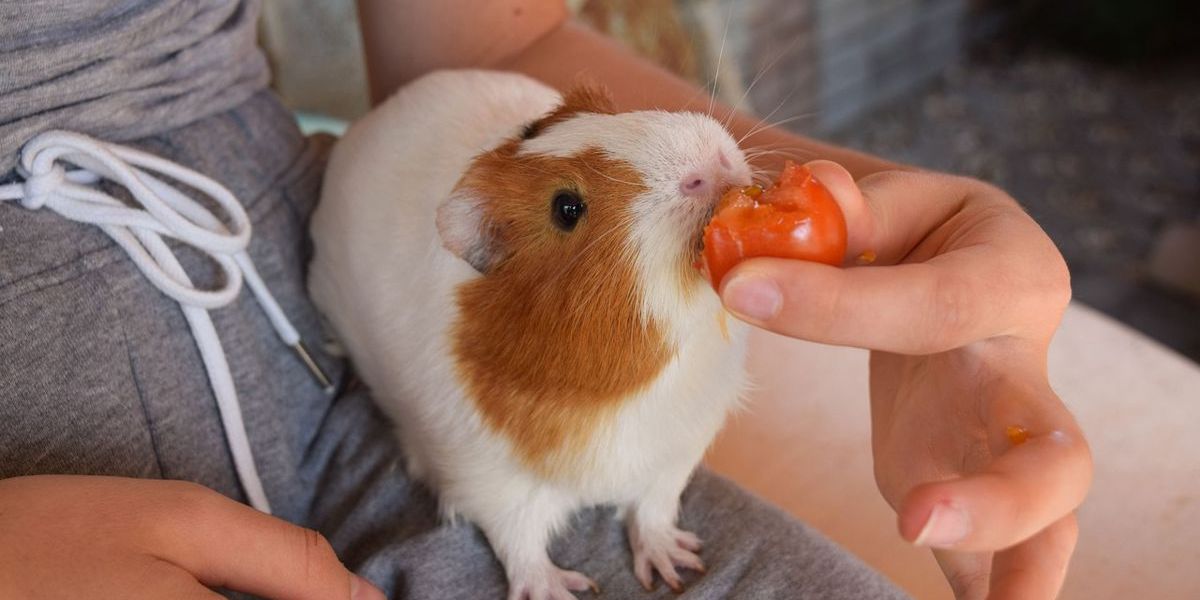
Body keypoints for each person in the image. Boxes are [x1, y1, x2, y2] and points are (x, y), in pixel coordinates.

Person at [0, 1, 1090, 598]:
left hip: (315, 378)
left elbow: (496, 34)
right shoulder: (476, 299)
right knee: (503, 479)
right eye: (568, 214)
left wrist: (886, 228)